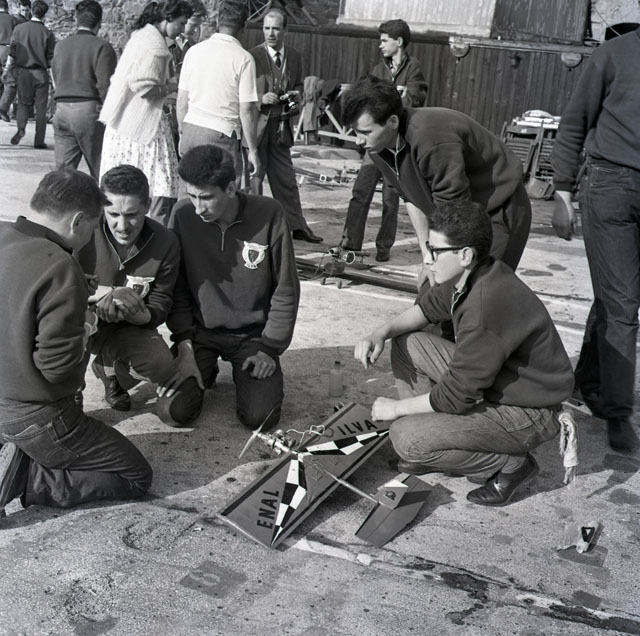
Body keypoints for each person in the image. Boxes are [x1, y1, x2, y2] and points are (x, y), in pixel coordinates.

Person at [354, 200, 573, 506]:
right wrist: (380, 332)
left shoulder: (485, 304)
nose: (427, 259)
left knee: (405, 438)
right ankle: (436, 442)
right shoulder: (471, 273)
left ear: (465, 254)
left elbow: (455, 397)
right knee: (407, 342)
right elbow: (426, 310)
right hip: (502, 386)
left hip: (529, 412)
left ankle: (512, 464)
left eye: (435, 251)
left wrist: (396, 409)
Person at [0, 170, 152, 521]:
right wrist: (86, 322)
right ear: (78, 221)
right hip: (34, 417)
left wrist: (72, 292)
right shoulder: (61, 267)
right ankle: (28, 478)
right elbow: (57, 369)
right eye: (93, 227)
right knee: (135, 475)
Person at [156, 144, 300, 430]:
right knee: (172, 413)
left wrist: (270, 348)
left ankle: (241, 373)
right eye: (192, 196)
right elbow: (177, 288)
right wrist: (184, 345)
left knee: (261, 418)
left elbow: (285, 289)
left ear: (231, 188)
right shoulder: (182, 214)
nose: (198, 208)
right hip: (199, 333)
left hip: (253, 337)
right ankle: (204, 366)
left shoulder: (269, 213)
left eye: (207, 197)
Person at [341, 75, 531, 279]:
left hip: (497, 207)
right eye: (355, 132)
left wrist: (441, 260)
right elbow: (411, 198)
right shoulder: (377, 148)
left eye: (365, 132)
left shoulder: (430, 138)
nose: (358, 141)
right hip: (457, 214)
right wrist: (427, 257)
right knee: (436, 289)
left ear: (392, 122)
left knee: (479, 288)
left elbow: (453, 209)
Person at [551, 27, 640, 454]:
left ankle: (588, 380)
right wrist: (562, 192)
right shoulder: (612, 54)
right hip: (611, 186)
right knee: (623, 303)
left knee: (615, 296)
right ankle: (617, 412)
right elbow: (574, 122)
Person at [76, 164, 180, 412]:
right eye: (113, 214)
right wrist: (108, 293)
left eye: (131, 214)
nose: (122, 226)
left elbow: (160, 304)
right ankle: (70, 391)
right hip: (80, 319)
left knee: (161, 365)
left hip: (127, 327)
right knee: (57, 327)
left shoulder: (166, 241)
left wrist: (137, 313)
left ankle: (110, 370)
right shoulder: (82, 230)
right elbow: (59, 285)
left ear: (148, 205)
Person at [99, 0, 193, 226]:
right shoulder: (155, 46)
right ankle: (156, 236)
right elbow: (142, 86)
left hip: (122, 124)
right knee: (159, 184)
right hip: (141, 127)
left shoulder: (141, 36)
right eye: (181, 23)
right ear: (168, 18)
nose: (182, 29)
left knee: (123, 186)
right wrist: (171, 87)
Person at [341, 19, 427, 262]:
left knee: (391, 198)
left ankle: (384, 247)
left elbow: (414, 101)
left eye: (384, 41)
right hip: (375, 145)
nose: (380, 45)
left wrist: (392, 100)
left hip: (397, 146)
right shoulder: (378, 70)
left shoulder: (414, 68)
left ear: (398, 42)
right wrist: (397, 96)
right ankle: (350, 243)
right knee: (360, 192)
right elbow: (369, 103)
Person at [249, 9, 322, 244]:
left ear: (285, 30)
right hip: (258, 128)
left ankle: (297, 226)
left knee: (287, 180)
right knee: (255, 179)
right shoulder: (252, 56)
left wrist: (296, 94)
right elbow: (242, 93)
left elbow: (299, 85)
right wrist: (261, 99)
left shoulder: (295, 56)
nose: (270, 33)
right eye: (266, 28)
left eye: (276, 29)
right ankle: (254, 229)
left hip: (281, 129)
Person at [177, 0, 261, 188]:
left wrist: (183, 133)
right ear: (243, 28)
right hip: (221, 133)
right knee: (223, 195)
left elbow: (182, 101)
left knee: (189, 192)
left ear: (217, 23)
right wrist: (253, 150)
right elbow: (247, 109)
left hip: (191, 128)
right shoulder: (244, 58)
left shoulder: (193, 51)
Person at [50, 0, 117, 179]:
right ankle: (102, 197)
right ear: (100, 22)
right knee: (101, 168)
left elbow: (55, 77)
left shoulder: (61, 46)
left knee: (63, 173)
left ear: (76, 19)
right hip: (88, 110)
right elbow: (105, 87)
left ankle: (61, 197)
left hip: (62, 109)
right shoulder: (102, 47)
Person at [3, 0, 55, 148]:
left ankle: (21, 128)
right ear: (44, 15)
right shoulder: (47, 33)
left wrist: (6, 70)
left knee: (23, 104)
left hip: (24, 72)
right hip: (40, 73)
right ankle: (39, 140)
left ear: (32, 11)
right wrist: (54, 80)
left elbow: (12, 53)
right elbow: (50, 59)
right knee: (41, 108)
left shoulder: (19, 29)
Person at [0, 0, 29, 122]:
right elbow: (17, 38)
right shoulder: (13, 20)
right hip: (6, 50)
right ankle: (3, 108)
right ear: (7, 7)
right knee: (11, 82)